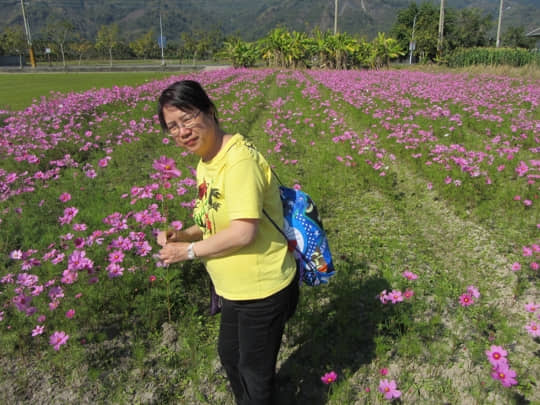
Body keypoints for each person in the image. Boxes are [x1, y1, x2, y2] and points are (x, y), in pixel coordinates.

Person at [156, 80, 299, 405]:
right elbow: (211, 220)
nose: (182, 132)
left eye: (188, 118)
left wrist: (188, 252)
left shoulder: (238, 163)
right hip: (233, 288)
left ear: (209, 110)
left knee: (254, 372)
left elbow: (243, 232)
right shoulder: (206, 161)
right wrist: (184, 234)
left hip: (262, 289)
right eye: (173, 127)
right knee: (231, 357)